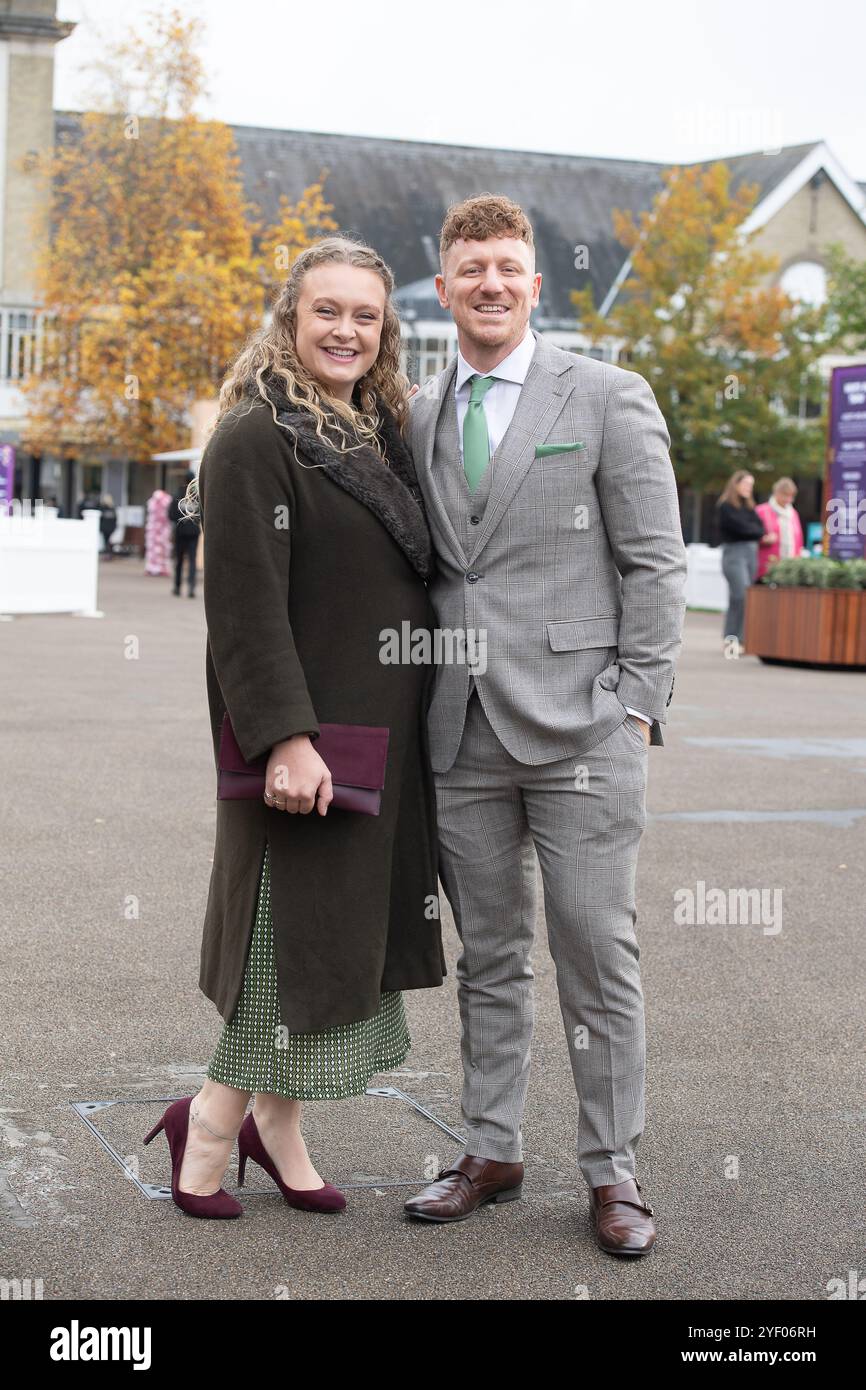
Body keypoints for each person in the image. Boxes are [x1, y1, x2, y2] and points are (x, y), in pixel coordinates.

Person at [402, 195, 687, 1255]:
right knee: (488, 956)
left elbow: (653, 561)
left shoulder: (607, 396)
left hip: (581, 731)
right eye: (469, 266)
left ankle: (611, 1170)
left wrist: (633, 705)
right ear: (444, 284)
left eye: (506, 266)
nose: (488, 282)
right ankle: (490, 1146)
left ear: (534, 282)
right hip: (459, 730)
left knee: (595, 956)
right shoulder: (422, 411)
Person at [143, 237, 446, 1220]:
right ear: (290, 316)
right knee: (281, 955)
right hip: (306, 747)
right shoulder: (253, 435)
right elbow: (241, 605)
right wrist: (283, 737)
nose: (347, 330)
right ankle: (208, 1130)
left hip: (379, 742)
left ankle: (279, 1128)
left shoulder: (379, 429)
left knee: (338, 954)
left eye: (366, 315)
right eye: (328, 311)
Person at [715, 470, 766, 649]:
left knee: (743, 596)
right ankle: (734, 638)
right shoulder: (726, 506)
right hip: (734, 554)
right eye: (745, 484)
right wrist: (755, 531)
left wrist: (755, 531)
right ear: (735, 484)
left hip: (751, 553)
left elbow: (759, 528)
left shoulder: (749, 507)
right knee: (740, 594)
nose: (748, 488)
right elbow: (742, 529)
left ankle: (737, 638)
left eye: (751, 485)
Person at [755, 477, 804, 581]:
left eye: (791, 496)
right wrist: (763, 539)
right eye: (785, 495)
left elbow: (799, 540)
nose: (788, 500)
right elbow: (751, 535)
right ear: (776, 493)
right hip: (767, 567)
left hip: (789, 568)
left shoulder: (793, 514)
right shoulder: (762, 511)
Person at [168, 470, 199, 597]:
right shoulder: (198, 497)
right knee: (192, 560)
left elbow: (170, 514)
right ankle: (191, 586)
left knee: (179, 560)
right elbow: (201, 514)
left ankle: (177, 586)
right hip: (193, 532)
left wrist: (179, 521)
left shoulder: (178, 495)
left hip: (180, 532)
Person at [99, 494, 117, 558]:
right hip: (108, 528)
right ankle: (108, 554)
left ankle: (108, 554)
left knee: (107, 541)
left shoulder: (104, 508)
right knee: (107, 541)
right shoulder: (111, 508)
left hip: (107, 528)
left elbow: (115, 519)